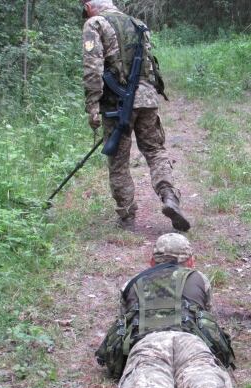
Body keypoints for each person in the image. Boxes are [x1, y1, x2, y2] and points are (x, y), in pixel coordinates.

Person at [96, 233, 251, 388]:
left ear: (152, 261)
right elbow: (205, 316)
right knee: (205, 379)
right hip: (190, 341)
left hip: (149, 341)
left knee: (145, 382)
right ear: (190, 261)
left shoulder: (130, 284)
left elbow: (124, 322)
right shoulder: (199, 279)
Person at [81, 0, 190, 232]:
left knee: (119, 161)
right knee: (155, 151)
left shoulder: (95, 23)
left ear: (90, 6)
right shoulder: (138, 24)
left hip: (118, 103)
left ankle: (127, 217)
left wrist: (92, 105)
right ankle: (169, 195)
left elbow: (93, 68)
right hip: (148, 98)